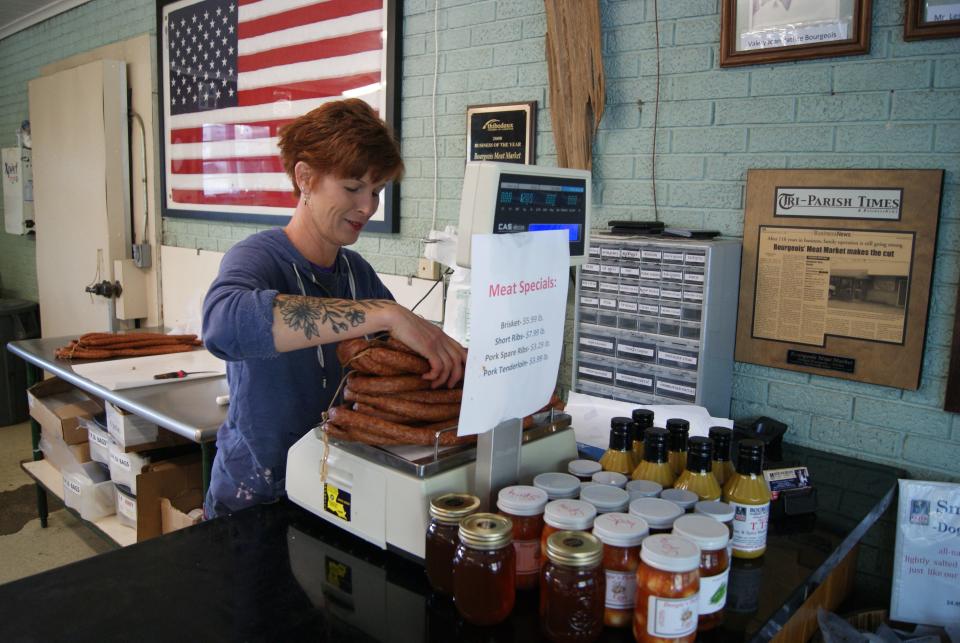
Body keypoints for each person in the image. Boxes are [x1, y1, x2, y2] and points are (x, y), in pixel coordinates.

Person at [202, 99, 466, 518]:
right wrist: (384, 314)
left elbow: (399, 361)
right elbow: (222, 325)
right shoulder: (258, 258)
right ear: (305, 178)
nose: (367, 207)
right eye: (353, 187)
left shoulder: (356, 273)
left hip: (331, 491)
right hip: (254, 497)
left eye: (376, 191)